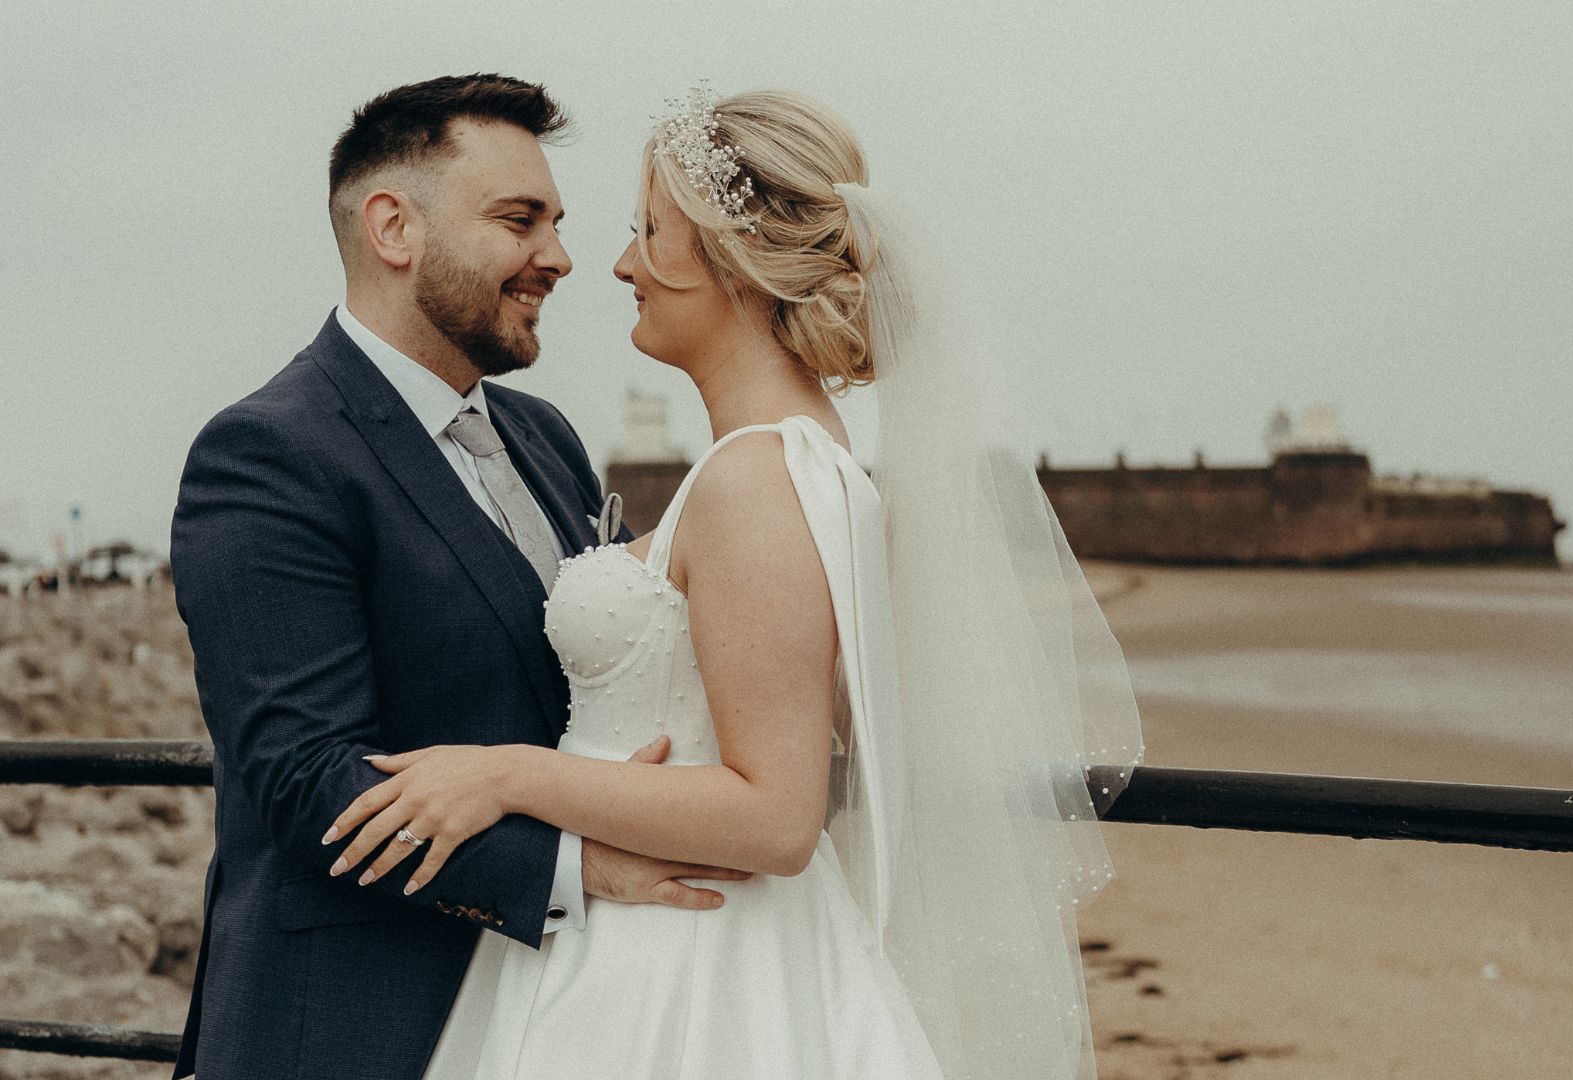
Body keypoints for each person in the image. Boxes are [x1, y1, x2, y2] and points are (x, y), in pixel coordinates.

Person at [323, 86, 1146, 1079]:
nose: (620, 264)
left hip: (685, 966)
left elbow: (778, 817)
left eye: (648, 232)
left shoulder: (757, 477)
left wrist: (504, 774)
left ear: (733, 257)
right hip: (654, 930)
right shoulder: (794, 458)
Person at [168, 74, 752, 1080]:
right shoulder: (267, 454)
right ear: (394, 228)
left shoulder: (543, 437)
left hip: (563, 1014)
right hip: (362, 1026)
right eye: (520, 221)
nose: (559, 258)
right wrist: (584, 867)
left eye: (557, 224)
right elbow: (310, 782)